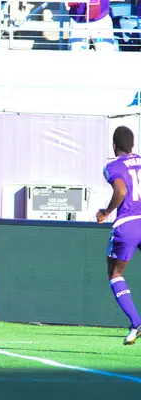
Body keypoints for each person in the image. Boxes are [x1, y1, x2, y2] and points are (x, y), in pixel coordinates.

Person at [97, 126, 141, 345]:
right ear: (133, 144)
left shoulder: (113, 166)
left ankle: (136, 322)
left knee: (115, 273)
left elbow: (121, 191)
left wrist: (106, 212)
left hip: (129, 224)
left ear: (114, 146)